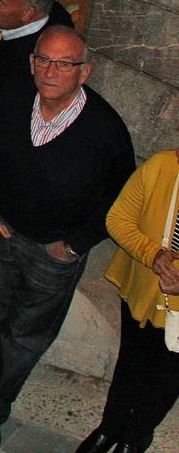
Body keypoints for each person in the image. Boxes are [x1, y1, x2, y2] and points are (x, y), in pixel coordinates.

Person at [0, 27, 134, 453]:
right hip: (4, 231)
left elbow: (120, 198)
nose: (51, 70)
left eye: (65, 63)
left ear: (84, 72)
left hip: (55, 250)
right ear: (31, 62)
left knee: (24, 336)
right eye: (44, 59)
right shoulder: (14, 96)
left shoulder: (105, 128)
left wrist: (76, 244)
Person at [81, 144, 179, 453]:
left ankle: (135, 438)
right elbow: (119, 219)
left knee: (168, 378)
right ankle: (110, 427)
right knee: (131, 364)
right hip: (145, 290)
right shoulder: (162, 165)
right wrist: (155, 255)